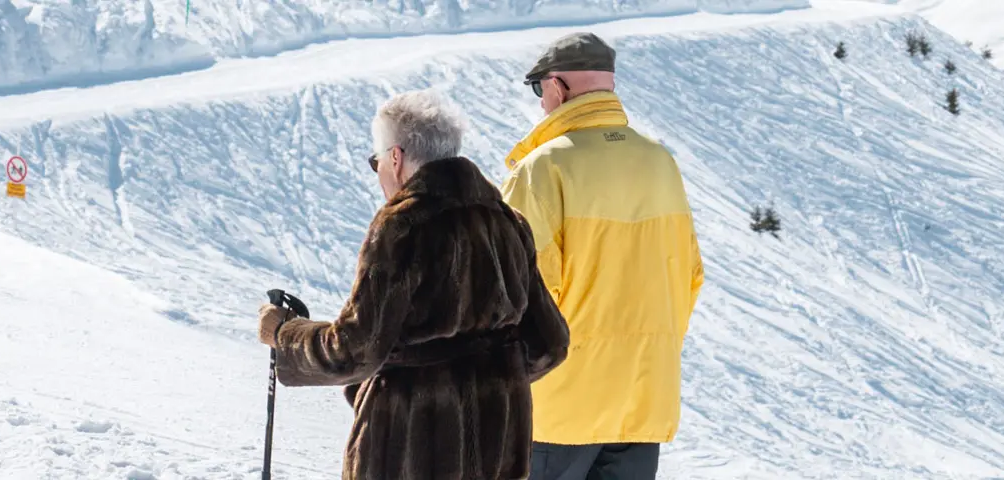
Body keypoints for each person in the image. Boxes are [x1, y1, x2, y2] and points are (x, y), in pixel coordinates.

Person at [258, 90, 572, 480]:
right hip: (495, 452)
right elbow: (549, 342)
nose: (379, 173)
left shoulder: (402, 227)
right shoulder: (507, 223)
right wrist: (488, 377)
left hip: (410, 452)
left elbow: (355, 349)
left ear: (396, 157)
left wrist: (285, 333)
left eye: (376, 162)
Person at [499, 32, 705, 480]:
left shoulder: (543, 169)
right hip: (643, 398)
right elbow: (689, 277)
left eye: (540, 90)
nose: (540, 103)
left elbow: (517, 296)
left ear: (558, 86)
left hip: (561, 405)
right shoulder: (660, 165)